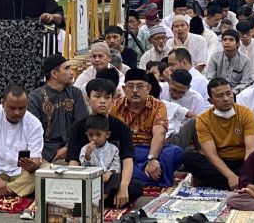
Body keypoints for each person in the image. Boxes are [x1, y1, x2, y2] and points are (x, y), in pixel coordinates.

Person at [67, 78, 144, 208]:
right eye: (97, 96)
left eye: (107, 97)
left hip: (112, 178)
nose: (103, 101)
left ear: (112, 99)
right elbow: (73, 161)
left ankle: (95, 200)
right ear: (87, 99)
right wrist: (76, 185)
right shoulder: (79, 126)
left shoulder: (122, 128)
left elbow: (127, 160)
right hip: (87, 178)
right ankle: (99, 200)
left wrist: (123, 187)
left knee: (135, 188)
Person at [110, 68, 183, 187]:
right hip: (126, 151)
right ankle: (147, 178)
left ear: (148, 88)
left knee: (175, 152)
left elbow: (159, 133)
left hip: (150, 150)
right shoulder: (115, 106)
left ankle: (138, 177)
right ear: (124, 89)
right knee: (117, 158)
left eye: (139, 86)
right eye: (130, 86)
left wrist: (152, 158)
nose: (134, 91)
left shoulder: (158, 105)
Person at [181, 78, 254, 190]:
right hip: (219, 163)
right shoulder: (203, 119)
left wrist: (246, 173)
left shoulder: (246, 113)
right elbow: (211, 155)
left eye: (228, 93)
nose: (226, 99)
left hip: (242, 161)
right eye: (220, 96)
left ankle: (223, 182)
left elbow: (251, 150)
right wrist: (231, 176)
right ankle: (243, 183)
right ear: (210, 101)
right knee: (188, 157)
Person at [28, 54, 88, 163]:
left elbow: (82, 125)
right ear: (54, 73)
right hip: (44, 152)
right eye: (67, 68)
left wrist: (67, 148)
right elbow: (32, 132)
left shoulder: (75, 94)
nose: (71, 72)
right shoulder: (35, 98)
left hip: (74, 150)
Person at [80, 114, 122, 203]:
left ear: (107, 134)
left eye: (98, 135)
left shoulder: (113, 149)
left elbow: (116, 166)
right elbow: (84, 168)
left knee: (117, 177)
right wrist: (87, 155)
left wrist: (109, 173)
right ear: (86, 134)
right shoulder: (85, 149)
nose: (94, 138)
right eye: (90, 135)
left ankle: (102, 198)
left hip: (108, 181)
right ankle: (100, 200)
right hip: (93, 180)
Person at [206, 29, 254, 95]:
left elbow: (245, 83)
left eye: (231, 40)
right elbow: (209, 78)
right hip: (217, 93)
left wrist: (231, 93)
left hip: (237, 94)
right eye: (224, 39)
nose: (227, 42)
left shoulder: (246, 61)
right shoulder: (215, 58)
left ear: (238, 43)